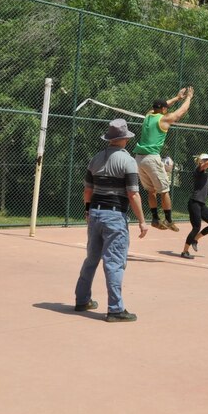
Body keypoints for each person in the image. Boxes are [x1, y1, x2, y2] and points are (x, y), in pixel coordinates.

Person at [74, 118, 149, 322]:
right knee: (114, 262)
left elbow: (88, 190)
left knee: (92, 258)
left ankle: (82, 300)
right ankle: (115, 309)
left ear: (110, 138)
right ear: (125, 139)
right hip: (115, 216)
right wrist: (142, 221)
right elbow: (133, 194)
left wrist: (88, 210)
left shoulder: (96, 159)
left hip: (96, 214)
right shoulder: (128, 161)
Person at [133, 86, 194, 231]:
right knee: (164, 190)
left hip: (139, 159)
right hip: (151, 158)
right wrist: (188, 98)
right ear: (164, 109)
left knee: (151, 191)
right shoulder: (164, 119)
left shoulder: (149, 115)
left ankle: (154, 219)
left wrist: (177, 98)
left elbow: (163, 105)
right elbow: (181, 112)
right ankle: (168, 220)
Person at [181, 147, 208, 259]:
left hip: (201, 204)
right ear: (201, 161)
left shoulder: (203, 170)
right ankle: (184, 251)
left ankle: (195, 239)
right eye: (206, 159)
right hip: (194, 203)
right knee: (196, 227)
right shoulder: (199, 169)